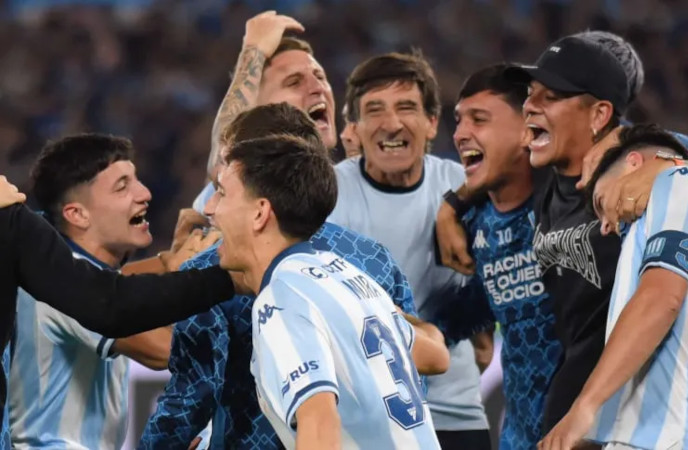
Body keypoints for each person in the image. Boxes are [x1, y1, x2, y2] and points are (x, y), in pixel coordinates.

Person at [436, 33, 688, 435]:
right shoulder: (537, 180)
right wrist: (452, 205)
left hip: (625, 416)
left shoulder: (627, 165)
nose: (531, 105)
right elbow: (503, 161)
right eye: (530, 95)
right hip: (552, 421)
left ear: (600, 116)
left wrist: (655, 163)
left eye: (550, 96)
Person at [140, 103, 442, 449]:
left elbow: (319, 425)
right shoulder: (348, 272)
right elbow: (435, 358)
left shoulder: (283, 298)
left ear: (260, 210)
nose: (210, 208)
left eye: (222, 191)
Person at [540, 125, 688, 450]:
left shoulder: (679, 182)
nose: (605, 226)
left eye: (601, 202)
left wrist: (583, 407)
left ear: (633, 164)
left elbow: (661, 299)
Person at [8, 134, 218, 449]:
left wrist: (169, 263)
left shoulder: (65, 267)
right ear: (77, 214)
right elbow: (165, 349)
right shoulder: (64, 287)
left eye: (136, 179)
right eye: (122, 187)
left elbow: (120, 281)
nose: (144, 193)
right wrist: (202, 275)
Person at [330, 51, 491, 449]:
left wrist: (477, 330)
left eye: (406, 108)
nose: (392, 123)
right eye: (375, 110)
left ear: (431, 122)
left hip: (452, 416)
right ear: (355, 127)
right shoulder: (327, 196)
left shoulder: (466, 188)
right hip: (360, 417)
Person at [442, 64, 561, 449]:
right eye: (459, 120)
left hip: (595, 433)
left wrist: (661, 158)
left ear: (528, 129)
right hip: (519, 439)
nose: (460, 134)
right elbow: (477, 309)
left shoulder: (574, 195)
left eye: (479, 120)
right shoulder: (474, 223)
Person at [193, 10, 336, 214]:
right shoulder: (239, 196)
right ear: (257, 111)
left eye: (320, 77)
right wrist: (254, 52)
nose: (317, 87)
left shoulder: (358, 185)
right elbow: (223, 163)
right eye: (294, 82)